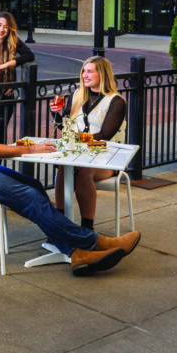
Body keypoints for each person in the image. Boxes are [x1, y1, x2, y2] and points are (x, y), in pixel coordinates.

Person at [0, 56, 140, 276]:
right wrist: (29, 149)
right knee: (30, 196)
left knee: (35, 187)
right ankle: (93, 242)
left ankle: (76, 253)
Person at [50, 57, 127, 228]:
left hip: (105, 158)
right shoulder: (76, 96)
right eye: (83, 71)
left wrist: (77, 139)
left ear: (103, 74)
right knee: (64, 167)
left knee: (82, 170)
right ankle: (59, 223)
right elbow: (66, 127)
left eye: (90, 71)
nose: (84, 75)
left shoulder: (116, 101)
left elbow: (105, 135)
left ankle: (87, 228)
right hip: (78, 156)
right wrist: (55, 114)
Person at [0, 10, 35, 143]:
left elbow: (29, 55)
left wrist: (7, 64)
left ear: (9, 29)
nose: (1, 30)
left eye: (6, 27)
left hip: (4, 95)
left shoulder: (12, 42)